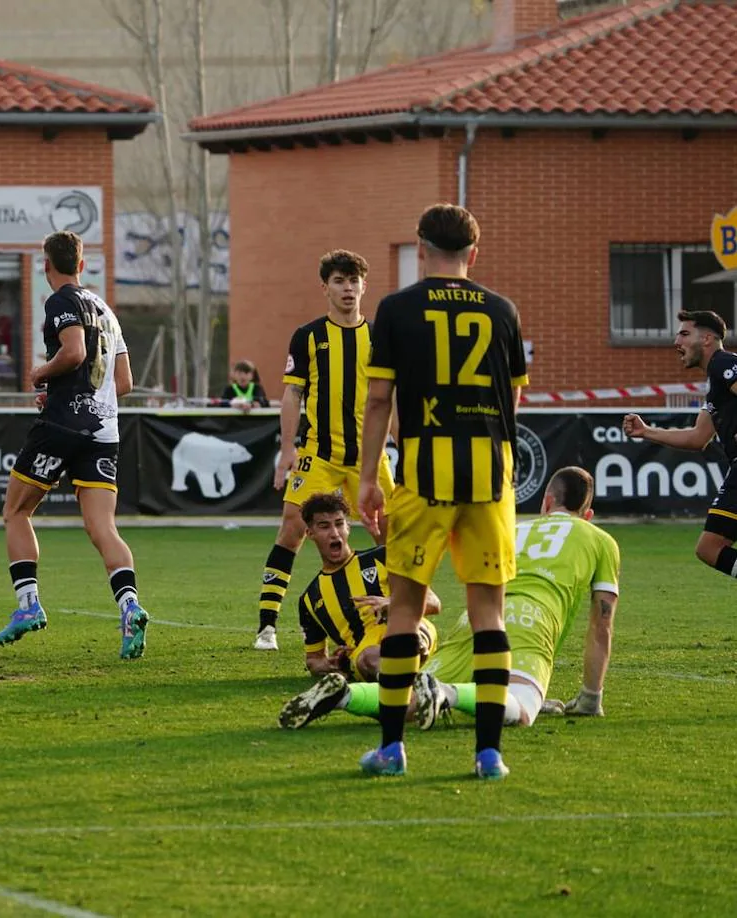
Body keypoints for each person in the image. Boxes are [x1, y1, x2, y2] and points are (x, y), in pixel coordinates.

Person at [355, 203, 529, 780]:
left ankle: (392, 748)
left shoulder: (398, 309)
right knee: (489, 614)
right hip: (489, 475)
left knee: (404, 609)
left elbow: (379, 400)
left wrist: (367, 477)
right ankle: (488, 755)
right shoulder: (503, 311)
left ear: (421, 249)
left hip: (426, 472)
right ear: (473, 255)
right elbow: (515, 401)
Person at [281, 467, 618, 732]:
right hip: (531, 623)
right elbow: (601, 626)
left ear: (546, 502)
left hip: (476, 622)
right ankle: (451, 694)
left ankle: (345, 695)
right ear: (586, 515)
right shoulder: (600, 539)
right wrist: (590, 698)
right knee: (522, 710)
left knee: (409, 699)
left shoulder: (514, 528)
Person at [0, 230, 149, 660]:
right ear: (82, 264)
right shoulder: (106, 309)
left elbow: (75, 352)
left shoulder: (60, 300)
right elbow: (124, 384)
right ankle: (130, 606)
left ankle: (28, 605)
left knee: (16, 511)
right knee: (103, 528)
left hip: (63, 425)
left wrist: (42, 376)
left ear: (47, 265)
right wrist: (69, 390)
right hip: (104, 431)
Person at [254, 250, 395, 653]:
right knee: (292, 528)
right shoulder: (309, 336)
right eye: (339, 281)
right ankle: (267, 626)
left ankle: (399, 615)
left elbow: (392, 397)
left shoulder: (380, 338)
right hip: (320, 454)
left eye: (354, 281)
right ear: (325, 288)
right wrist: (286, 449)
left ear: (364, 286)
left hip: (369, 458)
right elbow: (292, 393)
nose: (347, 288)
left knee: (393, 538)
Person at [283, 492, 440, 696]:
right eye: (324, 526)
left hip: (408, 625)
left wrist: (394, 603)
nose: (334, 533)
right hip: (365, 650)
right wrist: (336, 665)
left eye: (339, 524)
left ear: (348, 527)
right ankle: (418, 688)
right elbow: (314, 660)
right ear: (310, 533)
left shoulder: (383, 556)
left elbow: (433, 603)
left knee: (407, 636)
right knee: (369, 658)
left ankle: (407, 681)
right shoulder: (310, 599)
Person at [622, 310, 737, 583]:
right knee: (709, 548)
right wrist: (646, 431)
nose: (677, 341)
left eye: (685, 334)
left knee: (710, 548)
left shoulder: (724, 364)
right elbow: (698, 437)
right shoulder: (717, 383)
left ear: (707, 339)